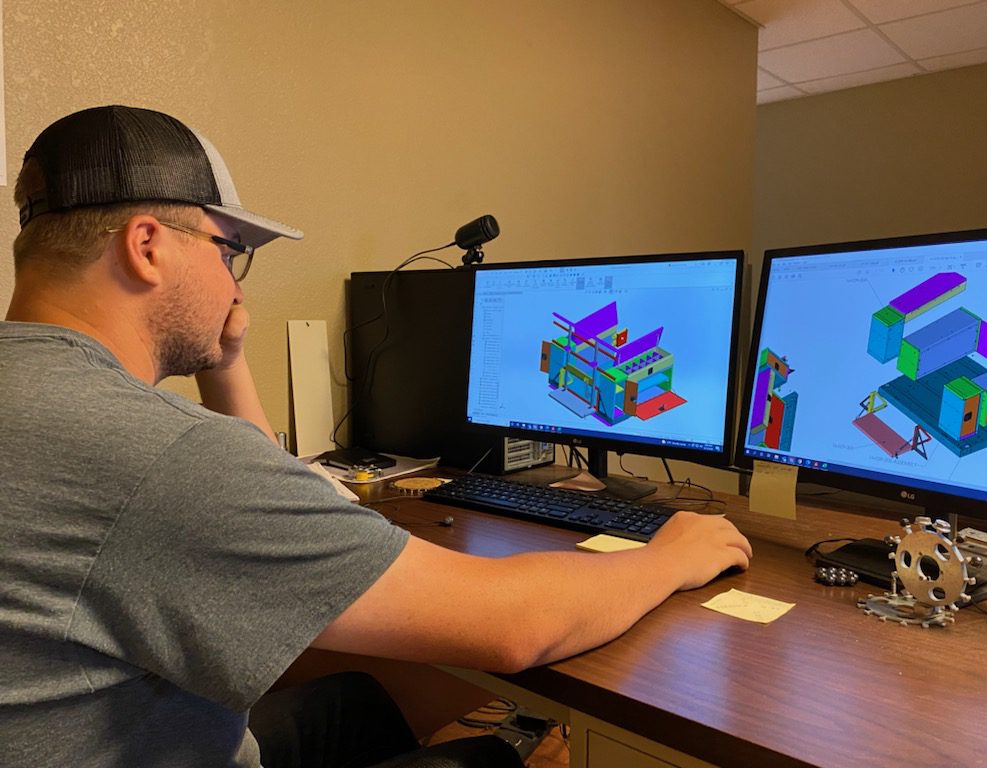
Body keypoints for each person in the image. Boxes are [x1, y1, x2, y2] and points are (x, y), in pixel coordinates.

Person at [0, 105, 752, 768]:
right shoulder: (162, 455)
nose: (236, 285)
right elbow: (510, 626)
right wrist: (669, 558)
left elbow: (247, 519)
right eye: (228, 249)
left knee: (362, 699)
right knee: (491, 756)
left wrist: (224, 364)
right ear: (148, 245)